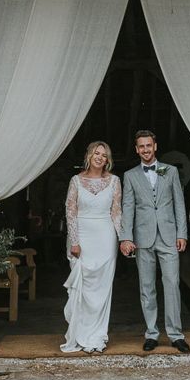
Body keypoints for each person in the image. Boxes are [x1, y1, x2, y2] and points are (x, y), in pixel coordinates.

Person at [119, 130, 190, 353]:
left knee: (171, 284)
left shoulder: (169, 171)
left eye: (149, 145)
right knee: (147, 287)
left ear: (155, 146)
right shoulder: (130, 175)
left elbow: (180, 204)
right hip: (143, 238)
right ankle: (151, 333)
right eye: (141, 146)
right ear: (136, 149)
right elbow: (127, 208)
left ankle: (176, 334)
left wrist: (182, 233)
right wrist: (126, 237)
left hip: (169, 237)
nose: (146, 150)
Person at [60, 141, 122, 353]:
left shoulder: (114, 181)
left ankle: (96, 337)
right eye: (96, 153)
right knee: (83, 286)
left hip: (106, 237)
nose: (99, 157)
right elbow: (70, 212)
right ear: (89, 155)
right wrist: (75, 241)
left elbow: (116, 212)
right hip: (82, 236)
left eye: (104, 155)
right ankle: (80, 335)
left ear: (108, 160)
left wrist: (123, 239)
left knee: (102, 288)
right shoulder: (76, 180)